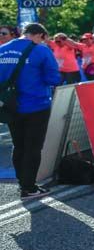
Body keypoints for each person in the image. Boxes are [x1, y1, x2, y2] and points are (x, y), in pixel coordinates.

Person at [0, 23, 61, 198]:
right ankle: (29, 187)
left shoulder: (2, 49)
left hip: (10, 106)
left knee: (18, 145)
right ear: (40, 35)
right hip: (36, 105)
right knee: (33, 147)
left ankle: (22, 183)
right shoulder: (41, 50)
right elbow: (54, 78)